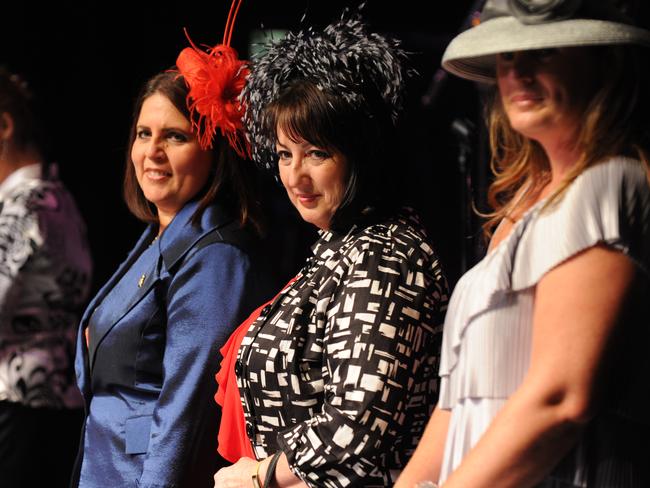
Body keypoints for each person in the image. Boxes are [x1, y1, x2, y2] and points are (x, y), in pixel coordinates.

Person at [396, 1, 650, 487]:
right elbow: (457, 409)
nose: (519, 72)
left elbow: (559, 399)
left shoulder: (610, 184)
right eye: (508, 56)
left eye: (545, 52)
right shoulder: (520, 210)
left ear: (605, 62)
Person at [213, 11, 450, 488]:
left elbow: (359, 423)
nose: (294, 176)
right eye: (284, 154)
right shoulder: (344, 243)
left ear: (360, 155)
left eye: (317, 153)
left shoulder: (384, 255)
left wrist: (261, 474)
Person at [72, 7, 270, 486]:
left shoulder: (215, 255)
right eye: (144, 134)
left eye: (175, 136)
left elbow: (183, 414)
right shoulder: (159, 236)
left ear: (212, 149)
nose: (152, 152)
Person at [0, 67, 92, 487]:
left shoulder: (27, 206)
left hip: (23, 407)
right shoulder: (56, 197)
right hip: (47, 407)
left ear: (4, 125)